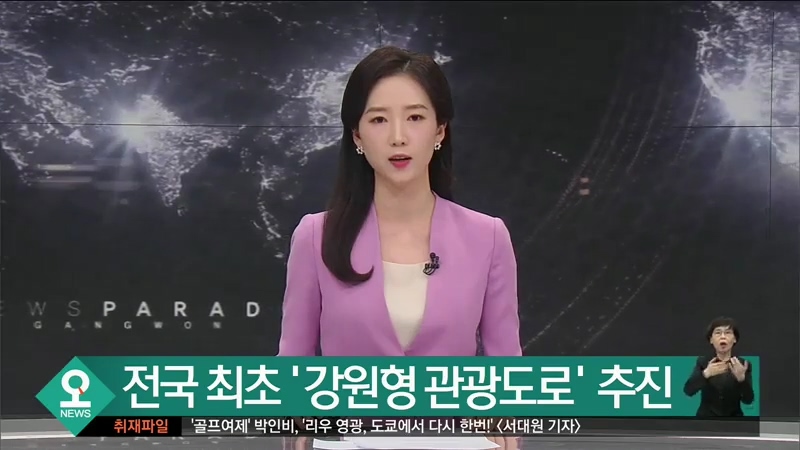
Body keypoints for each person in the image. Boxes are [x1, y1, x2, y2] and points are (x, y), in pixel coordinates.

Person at [278, 46, 522, 449]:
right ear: (357, 135)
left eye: (415, 117)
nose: (398, 137)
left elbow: (506, 369)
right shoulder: (315, 236)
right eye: (378, 119)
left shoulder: (488, 237)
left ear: (440, 130)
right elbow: (294, 366)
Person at [682, 317, 755, 417]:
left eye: (727, 333)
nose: (723, 337)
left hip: (734, 420)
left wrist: (742, 380)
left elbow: (748, 400)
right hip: (706, 419)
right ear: (711, 339)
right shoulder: (703, 362)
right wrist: (705, 374)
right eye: (718, 333)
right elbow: (688, 391)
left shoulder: (742, 364)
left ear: (734, 339)